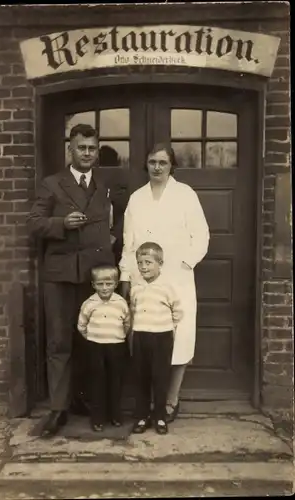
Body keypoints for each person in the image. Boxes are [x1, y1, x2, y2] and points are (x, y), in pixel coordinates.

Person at [27, 123, 115, 437]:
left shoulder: (104, 185)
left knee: (90, 340)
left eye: (92, 148)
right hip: (61, 276)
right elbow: (34, 224)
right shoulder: (52, 184)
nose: (88, 153)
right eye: (82, 148)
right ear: (71, 149)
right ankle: (57, 408)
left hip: (94, 277)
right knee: (59, 341)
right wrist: (60, 223)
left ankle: (82, 400)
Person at [119, 142, 210, 424]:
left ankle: (171, 399)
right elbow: (128, 242)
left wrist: (185, 263)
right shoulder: (136, 198)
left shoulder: (185, 195)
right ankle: (146, 404)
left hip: (176, 280)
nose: (157, 167)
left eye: (163, 162)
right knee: (144, 340)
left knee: (179, 337)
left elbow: (202, 236)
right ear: (145, 164)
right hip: (143, 280)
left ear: (172, 166)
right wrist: (125, 276)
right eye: (152, 162)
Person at [130, 242, 183, 435]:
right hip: (141, 337)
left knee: (160, 378)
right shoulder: (136, 288)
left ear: (160, 263)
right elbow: (133, 311)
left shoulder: (167, 287)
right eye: (140, 263)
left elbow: (177, 312)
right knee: (141, 377)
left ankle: (159, 416)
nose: (143, 267)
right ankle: (142, 416)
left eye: (148, 262)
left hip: (162, 337)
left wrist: (168, 328)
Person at [77, 264, 130, 432]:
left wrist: (117, 337)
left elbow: (127, 324)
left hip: (116, 347)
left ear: (115, 284)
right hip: (95, 347)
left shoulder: (121, 303)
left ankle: (115, 415)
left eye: (109, 284)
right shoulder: (89, 304)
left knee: (116, 381)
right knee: (97, 382)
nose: (105, 288)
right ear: (93, 285)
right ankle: (97, 418)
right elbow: (81, 326)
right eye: (100, 284)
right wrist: (94, 338)